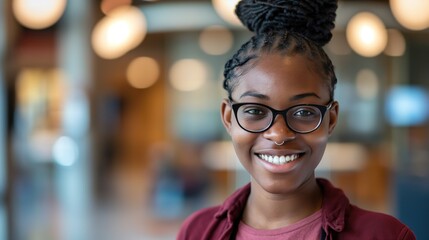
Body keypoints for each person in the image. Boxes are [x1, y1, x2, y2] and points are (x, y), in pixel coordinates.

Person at [177, 0, 416, 239]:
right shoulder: (197, 231)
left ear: (331, 119)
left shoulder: (386, 235)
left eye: (303, 112)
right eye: (255, 111)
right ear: (229, 118)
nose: (279, 134)